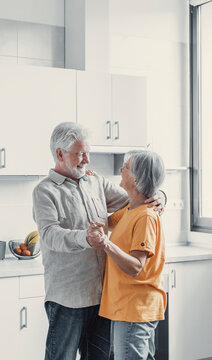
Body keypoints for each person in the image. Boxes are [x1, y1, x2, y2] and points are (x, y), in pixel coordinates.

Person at [32, 122, 166, 360]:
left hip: (103, 297)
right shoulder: (44, 191)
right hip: (67, 298)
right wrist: (85, 237)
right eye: (80, 154)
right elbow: (50, 235)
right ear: (60, 154)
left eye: (88, 152)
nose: (86, 160)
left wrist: (159, 197)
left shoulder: (95, 182)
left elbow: (135, 197)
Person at [87, 150, 167, 360]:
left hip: (135, 308)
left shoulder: (146, 216)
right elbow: (109, 223)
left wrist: (106, 245)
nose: (120, 170)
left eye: (125, 167)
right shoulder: (133, 209)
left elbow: (135, 266)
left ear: (135, 178)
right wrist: (91, 182)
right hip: (130, 306)